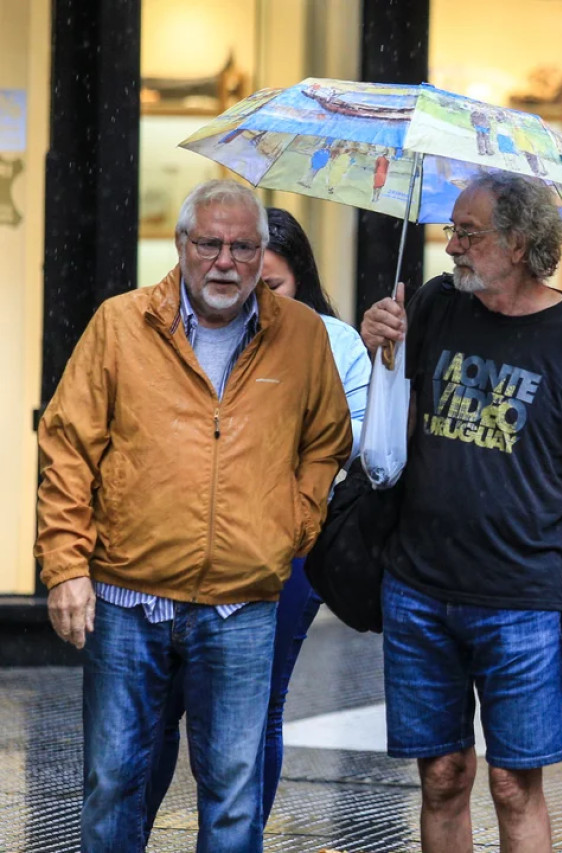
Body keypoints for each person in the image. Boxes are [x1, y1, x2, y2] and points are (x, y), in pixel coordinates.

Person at [35, 179, 352, 852]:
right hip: (126, 595)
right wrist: (66, 566)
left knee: (234, 795)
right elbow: (67, 445)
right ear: (182, 246)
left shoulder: (300, 335)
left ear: (263, 253)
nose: (225, 261)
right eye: (209, 243)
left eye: (242, 246)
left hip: (242, 603)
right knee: (114, 780)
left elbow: (327, 438)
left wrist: (290, 527)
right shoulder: (120, 324)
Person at [359, 172, 562, 853]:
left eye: (468, 233)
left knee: (514, 783)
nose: (451, 247)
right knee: (443, 774)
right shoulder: (435, 304)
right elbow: (392, 423)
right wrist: (379, 348)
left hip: (521, 595)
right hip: (418, 586)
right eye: (451, 231)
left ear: (519, 243)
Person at [143, 207, 371, 827]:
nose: (256, 294)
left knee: (257, 707)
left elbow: (350, 442)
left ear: (300, 280)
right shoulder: (189, 329)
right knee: (163, 707)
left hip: (288, 544)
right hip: (186, 536)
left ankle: (239, 839)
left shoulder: (333, 340)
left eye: (273, 286)